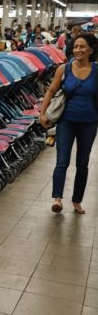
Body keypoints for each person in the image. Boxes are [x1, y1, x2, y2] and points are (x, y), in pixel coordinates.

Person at [39, 33, 98, 215]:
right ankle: (57, 199)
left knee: (83, 163)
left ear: (91, 50)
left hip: (89, 123)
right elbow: (51, 90)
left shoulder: (96, 71)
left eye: (82, 47)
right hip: (66, 122)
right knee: (62, 162)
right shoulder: (64, 69)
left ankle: (77, 201)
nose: (77, 50)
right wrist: (42, 113)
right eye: (75, 46)